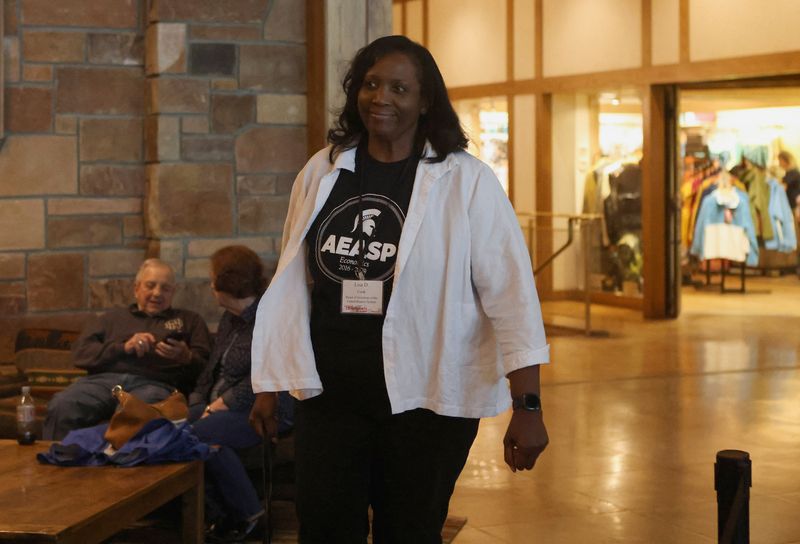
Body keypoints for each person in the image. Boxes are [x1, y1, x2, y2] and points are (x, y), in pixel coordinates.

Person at [249, 35, 550, 543]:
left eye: (398, 87)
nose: (381, 97)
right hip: (330, 395)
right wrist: (270, 383)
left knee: (409, 529)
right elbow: (293, 280)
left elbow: (512, 296)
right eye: (370, 84)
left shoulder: (466, 181)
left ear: (425, 100)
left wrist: (529, 407)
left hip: (424, 401)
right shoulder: (323, 170)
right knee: (322, 525)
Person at [186, 245, 293, 543]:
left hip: (266, 409)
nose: (210, 285)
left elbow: (269, 374)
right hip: (217, 407)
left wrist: (220, 404)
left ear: (226, 283)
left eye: (212, 279)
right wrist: (197, 401)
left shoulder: (270, 317)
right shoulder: (229, 320)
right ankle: (228, 515)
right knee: (174, 430)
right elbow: (211, 370)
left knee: (196, 437)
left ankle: (245, 515)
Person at [43, 259, 211, 441]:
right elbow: (81, 354)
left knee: (134, 412)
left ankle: (120, 467)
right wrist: (123, 347)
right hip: (102, 382)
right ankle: (58, 461)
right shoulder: (111, 318)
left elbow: (208, 369)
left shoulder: (190, 320)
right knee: (62, 404)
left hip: (155, 384)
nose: (157, 293)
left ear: (173, 292)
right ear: (136, 288)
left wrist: (186, 357)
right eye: (150, 285)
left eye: (165, 288)